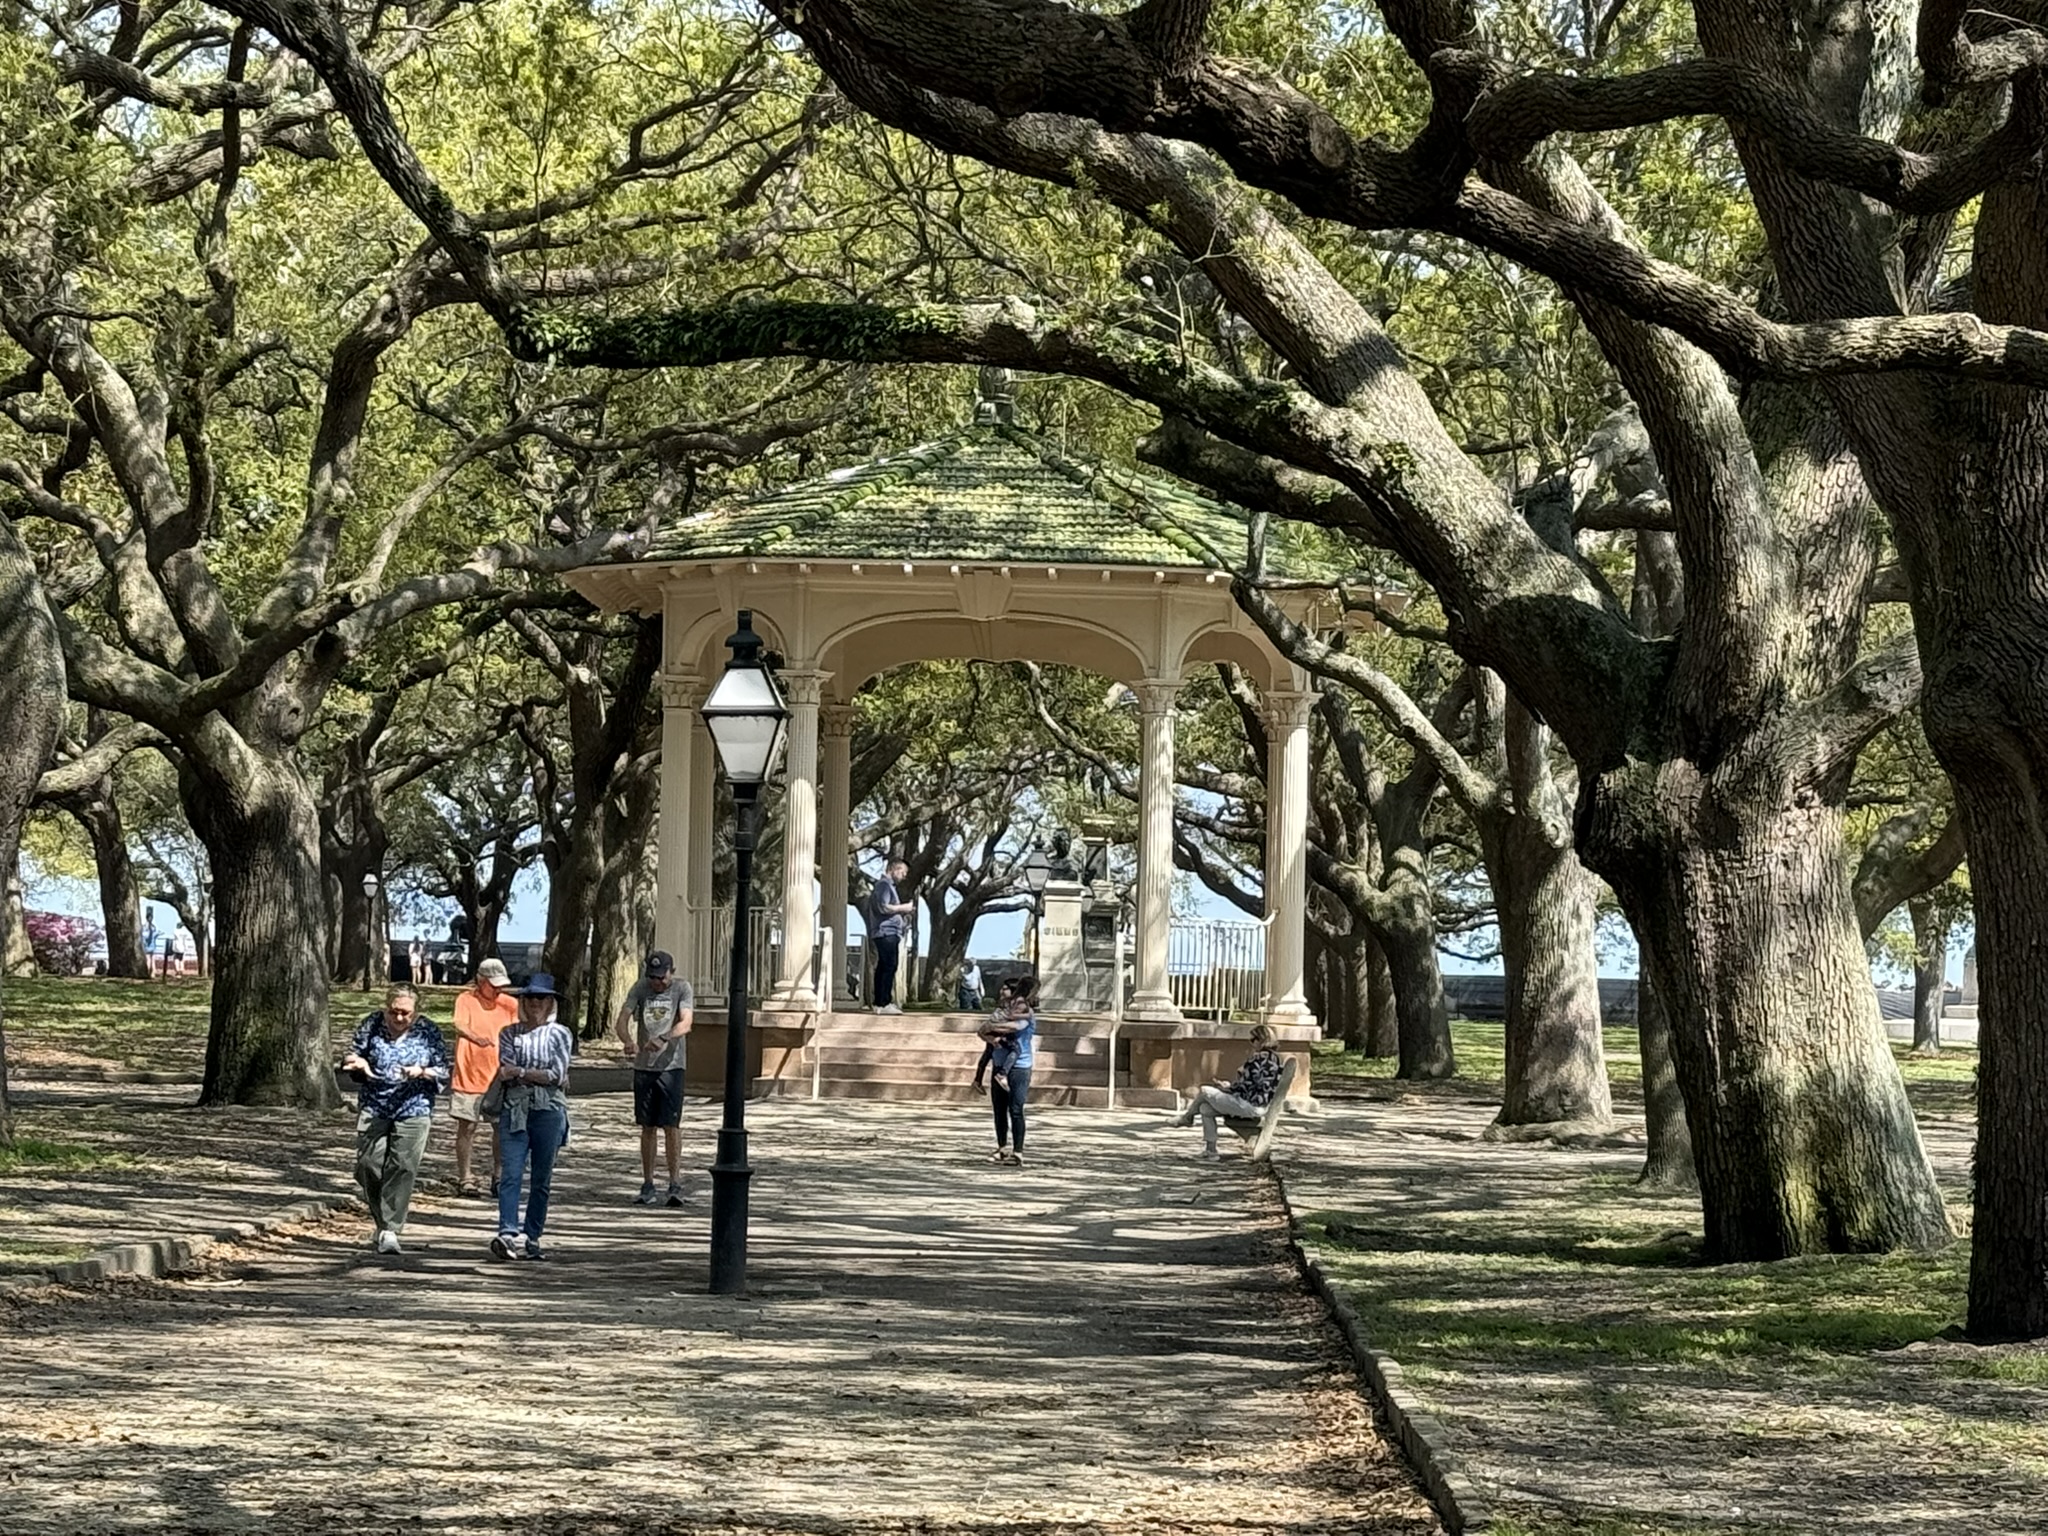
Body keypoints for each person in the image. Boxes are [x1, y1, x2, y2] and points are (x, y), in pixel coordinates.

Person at [339, 984, 451, 1255]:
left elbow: (444, 1070)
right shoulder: (371, 1025)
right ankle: (382, 1221)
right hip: (375, 1105)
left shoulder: (428, 1031)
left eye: (406, 1014)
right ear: (385, 1008)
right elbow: (353, 1054)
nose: (399, 1018)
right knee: (368, 1164)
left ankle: (390, 1229)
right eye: (394, 1012)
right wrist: (357, 1064)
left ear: (416, 1013)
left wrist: (422, 1071)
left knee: (402, 1166)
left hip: (414, 1106)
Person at [492, 972, 574, 1261]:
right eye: (530, 997)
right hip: (515, 1110)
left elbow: (557, 1075)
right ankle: (507, 1233)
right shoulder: (508, 1033)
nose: (535, 1003)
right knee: (510, 1172)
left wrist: (522, 1073)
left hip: (548, 1111)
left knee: (541, 1178)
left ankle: (534, 1235)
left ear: (551, 1002)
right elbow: (505, 1070)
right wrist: (525, 1074)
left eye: (541, 997)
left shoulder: (561, 1034)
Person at [613, 949, 693, 1208]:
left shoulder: (682, 989)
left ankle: (675, 1182)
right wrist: (627, 1040)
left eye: (661, 977)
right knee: (647, 1127)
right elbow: (622, 1019)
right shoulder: (640, 988)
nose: (657, 982)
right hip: (644, 1069)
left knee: (671, 1126)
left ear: (671, 972)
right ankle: (648, 1183)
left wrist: (664, 1038)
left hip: (671, 1068)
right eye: (653, 977)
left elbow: (686, 1023)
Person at [449, 957, 519, 1198]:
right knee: (467, 1127)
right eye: (493, 984)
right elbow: (459, 1024)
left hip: (498, 1078)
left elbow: (517, 1033)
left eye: (501, 984)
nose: (498, 989)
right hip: (469, 1075)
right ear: (481, 980)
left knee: (501, 1128)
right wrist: (476, 1037)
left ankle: (498, 1177)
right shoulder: (466, 999)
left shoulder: (509, 1004)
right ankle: (465, 1177)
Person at [1172, 1024, 1284, 1158]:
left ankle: (1187, 1118)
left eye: (1253, 1039)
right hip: (1260, 1105)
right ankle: (1211, 1151)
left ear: (1261, 1040)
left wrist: (1227, 1088)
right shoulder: (1276, 1059)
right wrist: (1230, 1087)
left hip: (1249, 1105)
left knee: (1205, 1090)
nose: (1251, 1043)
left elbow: (1247, 1087)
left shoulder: (1257, 1059)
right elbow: (1255, 1084)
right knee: (1204, 1108)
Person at [976, 990, 1037, 1166]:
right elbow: (982, 1031)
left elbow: (1013, 1027)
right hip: (999, 1064)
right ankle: (1002, 1147)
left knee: (1016, 1108)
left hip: (1020, 1068)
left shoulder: (1026, 1017)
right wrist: (987, 1030)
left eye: (1014, 1001)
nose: (1007, 1000)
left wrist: (991, 1028)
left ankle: (1018, 1151)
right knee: (999, 1109)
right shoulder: (1000, 1013)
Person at [870, 858, 914, 1015]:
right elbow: (883, 907)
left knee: (884, 965)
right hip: (886, 932)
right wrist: (904, 908)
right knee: (889, 965)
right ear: (894, 869)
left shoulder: (886, 886)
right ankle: (884, 1001)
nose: (904, 876)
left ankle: (879, 1002)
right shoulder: (884, 885)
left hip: (887, 931)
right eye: (903, 872)